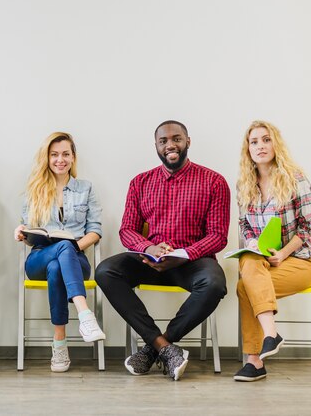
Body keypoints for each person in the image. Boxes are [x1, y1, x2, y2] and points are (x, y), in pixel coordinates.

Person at [95, 120, 230, 381]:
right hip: (150, 261)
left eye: (177, 139)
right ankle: (165, 348)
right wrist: (148, 247)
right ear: (156, 146)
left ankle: (157, 346)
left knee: (214, 284)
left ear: (188, 142)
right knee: (106, 271)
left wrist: (184, 254)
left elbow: (217, 236)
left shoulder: (214, 181)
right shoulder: (140, 182)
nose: (170, 145)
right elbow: (127, 230)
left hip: (192, 262)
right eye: (163, 141)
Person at [233, 121, 311, 382]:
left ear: (275, 144)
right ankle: (270, 337)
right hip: (263, 263)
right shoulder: (244, 184)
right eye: (254, 141)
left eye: (266, 140)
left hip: (301, 261)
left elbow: (308, 225)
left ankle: (255, 360)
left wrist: (284, 253)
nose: (260, 146)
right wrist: (251, 243)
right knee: (248, 261)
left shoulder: (295, 178)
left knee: (244, 285)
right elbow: (244, 224)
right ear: (247, 149)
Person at [14, 132, 105, 373]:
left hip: (76, 259)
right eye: (54, 155)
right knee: (59, 252)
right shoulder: (35, 189)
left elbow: (95, 231)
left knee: (60, 263)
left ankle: (60, 345)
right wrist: (21, 231)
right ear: (47, 158)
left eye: (65, 154)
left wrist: (74, 246)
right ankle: (85, 314)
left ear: (73, 157)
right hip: (39, 259)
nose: (60, 159)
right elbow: (28, 228)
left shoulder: (86, 188)